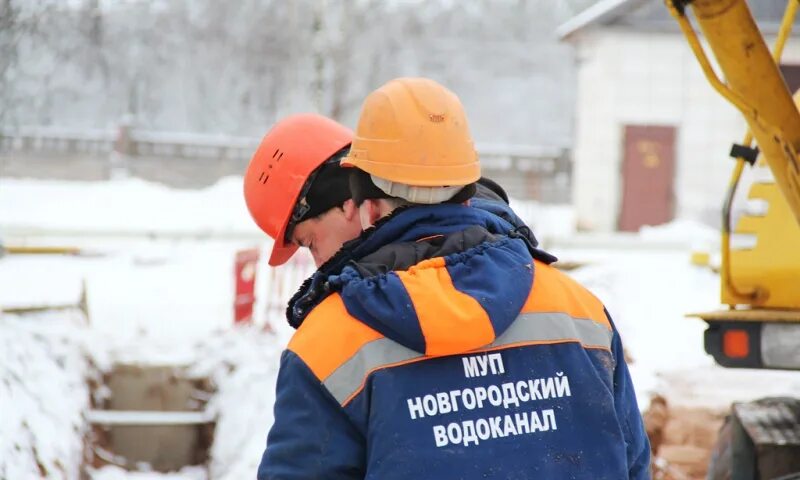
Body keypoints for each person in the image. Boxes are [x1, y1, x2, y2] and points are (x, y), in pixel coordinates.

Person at [251, 78, 650, 479]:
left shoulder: (329, 344)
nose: (318, 262)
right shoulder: (581, 312)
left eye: (308, 243)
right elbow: (633, 465)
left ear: (363, 206)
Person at [244, 114, 529, 268]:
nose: (318, 265)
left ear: (348, 203)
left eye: (310, 244)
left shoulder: (384, 304)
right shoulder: (510, 250)